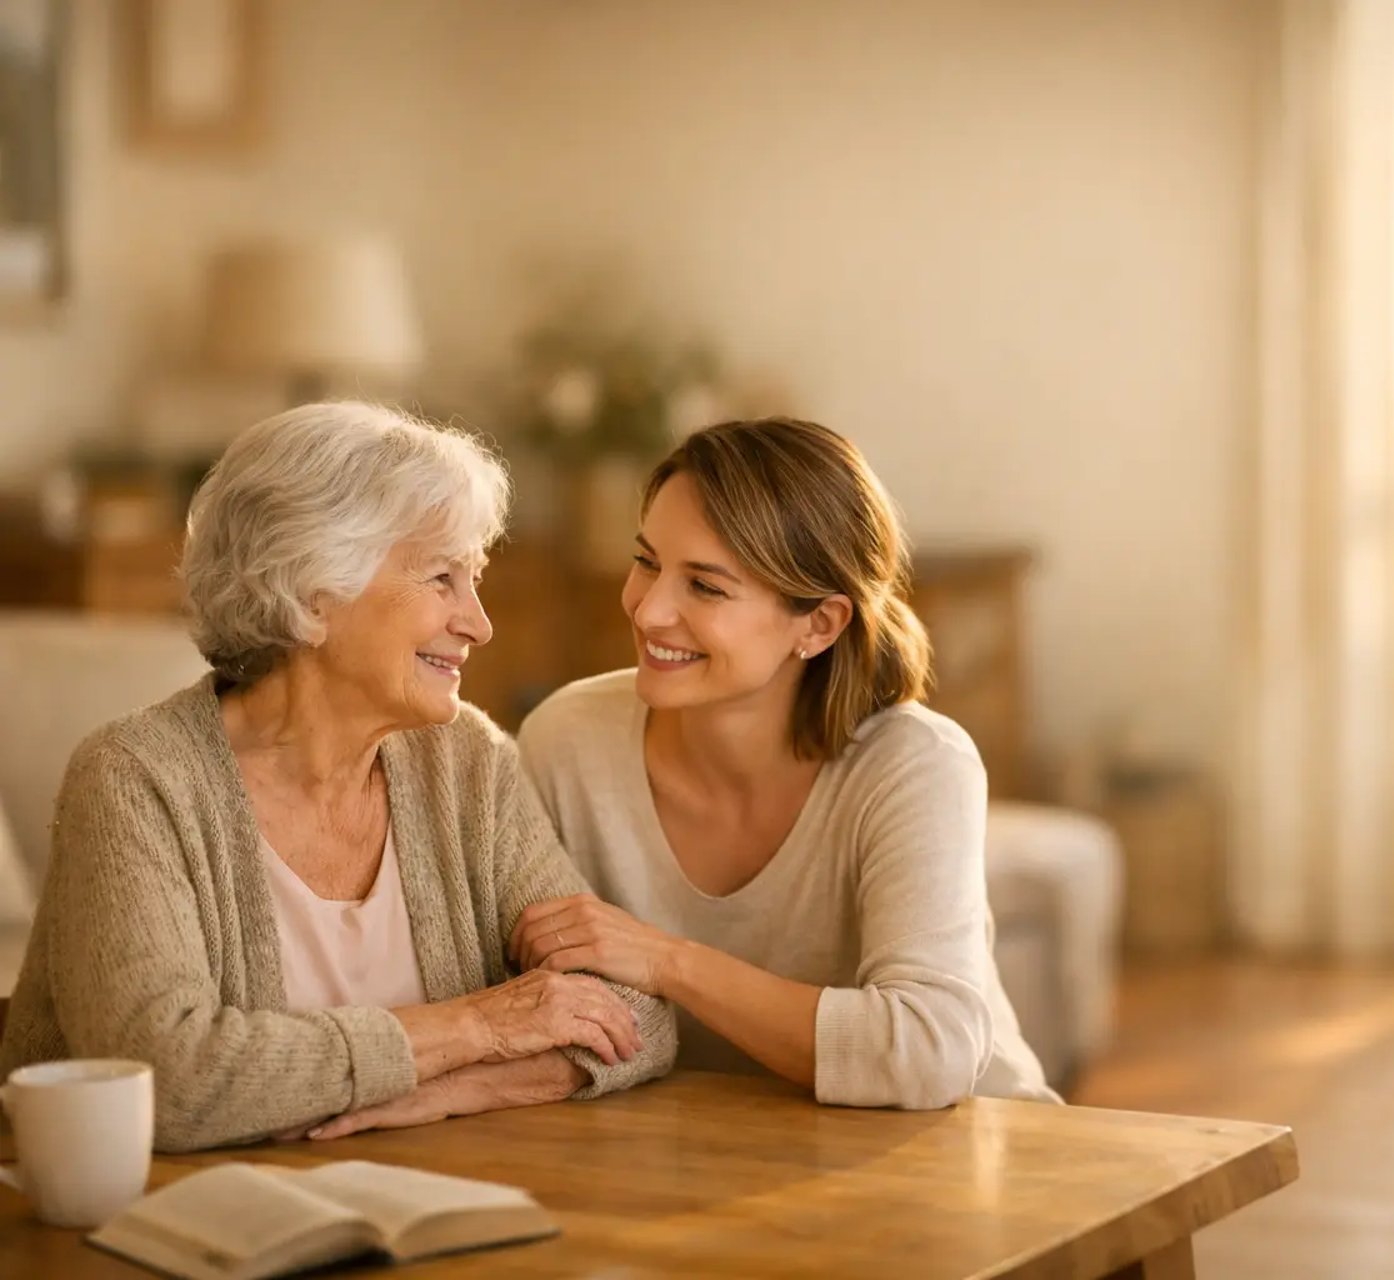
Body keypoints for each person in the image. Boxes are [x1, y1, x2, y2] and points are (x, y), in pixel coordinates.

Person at [0, 402, 675, 1152]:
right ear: (312, 593)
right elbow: (169, 1081)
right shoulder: (135, 781)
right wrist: (476, 1026)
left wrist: (459, 1089)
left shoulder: (465, 763)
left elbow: (636, 1013)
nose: (479, 623)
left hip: (428, 1198)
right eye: (442, 578)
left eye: (475, 579)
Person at [512, 417, 1055, 1109]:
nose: (648, 612)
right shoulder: (566, 741)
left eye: (705, 587)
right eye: (647, 562)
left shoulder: (914, 765)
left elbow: (928, 1052)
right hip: (717, 1145)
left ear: (819, 624)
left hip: (968, 1144)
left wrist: (665, 961)